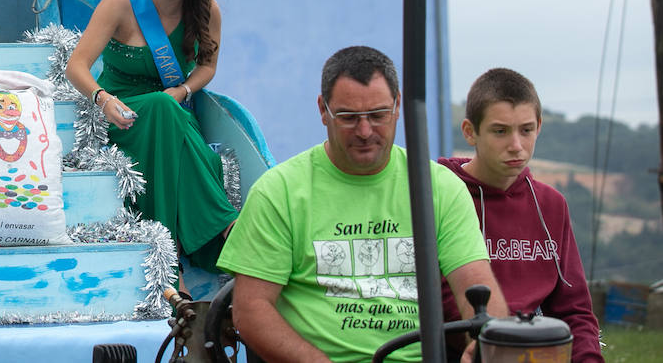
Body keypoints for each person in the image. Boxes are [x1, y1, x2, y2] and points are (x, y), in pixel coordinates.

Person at [218, 46, 508, 363]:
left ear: (398, 105)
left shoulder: (439, 188)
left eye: (377, 115)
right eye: (349, 117)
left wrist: (487, 343)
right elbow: (250, 310)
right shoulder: (280, 192)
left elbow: (477, 288)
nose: (365, 131)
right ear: (322, 110)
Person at [65, 0, 238, 271]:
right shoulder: (120, 3)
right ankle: (223, 227)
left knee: (164, 109)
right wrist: (104, 99)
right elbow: (76, 66)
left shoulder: (206, 10)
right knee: (175, 126)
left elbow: (207, 67)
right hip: (120, 117)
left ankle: (169, 256)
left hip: (170, 110)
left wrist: (181, 90)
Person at [438, 68, 602, 362]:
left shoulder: (552, 205)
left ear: (539, 126)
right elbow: (442, 301)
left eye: (526, 130)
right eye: (500, 131)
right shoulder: (440, 195)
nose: (516, 145)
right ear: (469, 131)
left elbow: (575, 310)